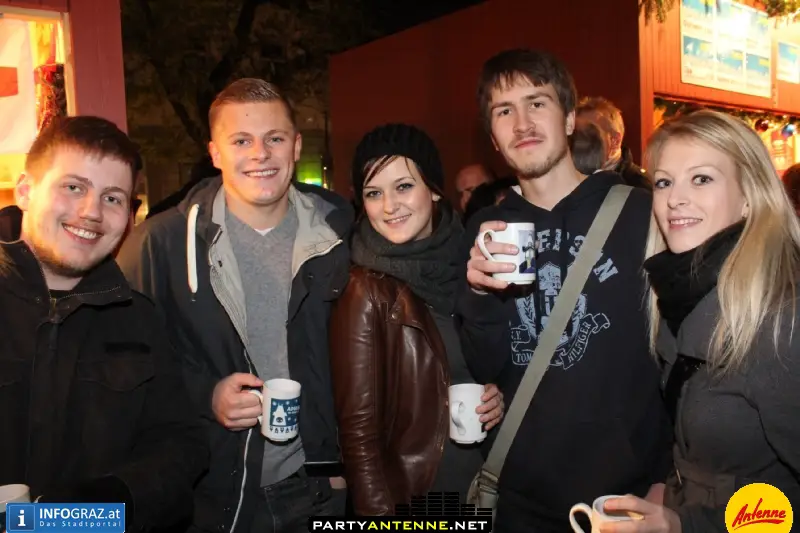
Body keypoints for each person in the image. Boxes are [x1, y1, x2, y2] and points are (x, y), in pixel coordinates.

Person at [116, 78, 353, 533]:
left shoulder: (342, 232)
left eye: (275, 138)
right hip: (212, 496)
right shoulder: (158, 245)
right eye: (241, 140)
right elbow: (129, 366)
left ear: (296, 145)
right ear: (215, 153)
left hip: (319, 493)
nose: (260, 154)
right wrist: (206, 395)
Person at [457, 48, 672, 532]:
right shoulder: (487, 229)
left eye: (538, 103)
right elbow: (488, 367)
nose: (522, 122)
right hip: (518, 497)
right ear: (493, 136)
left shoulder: (640, 214)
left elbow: (683, 356)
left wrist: (666, 476)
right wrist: (478, 293)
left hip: (626, 497)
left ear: (570, 117)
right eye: (504, 111)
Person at [0, 116, 208, 531]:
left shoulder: (138, 318)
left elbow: (181, 446)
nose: (90, 212)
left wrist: (101, 508)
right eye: (73, 187)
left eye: (113, 198)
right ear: (26, 190)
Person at [601, 111, 800, 532]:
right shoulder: (680, 294)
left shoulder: (780, 321)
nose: (675, 199)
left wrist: (684, 525)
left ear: (750, 194)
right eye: (664, 181)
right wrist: (672, 487)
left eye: (702, 179)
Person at [329, 124, 504, 515]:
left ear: (435, 189)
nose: (389, 205)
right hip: (417, 501)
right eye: (374, 193)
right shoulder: (364, 288)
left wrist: (496, 398)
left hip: (484, 486)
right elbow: (358, 439)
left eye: (403, 186)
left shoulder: (469, 261)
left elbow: (479, 363)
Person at [575, 96, 651, 190]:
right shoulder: (568, 178)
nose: (578, 141)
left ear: (615, 141)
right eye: (577, 134)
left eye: (591, 134)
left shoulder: (640, 187)